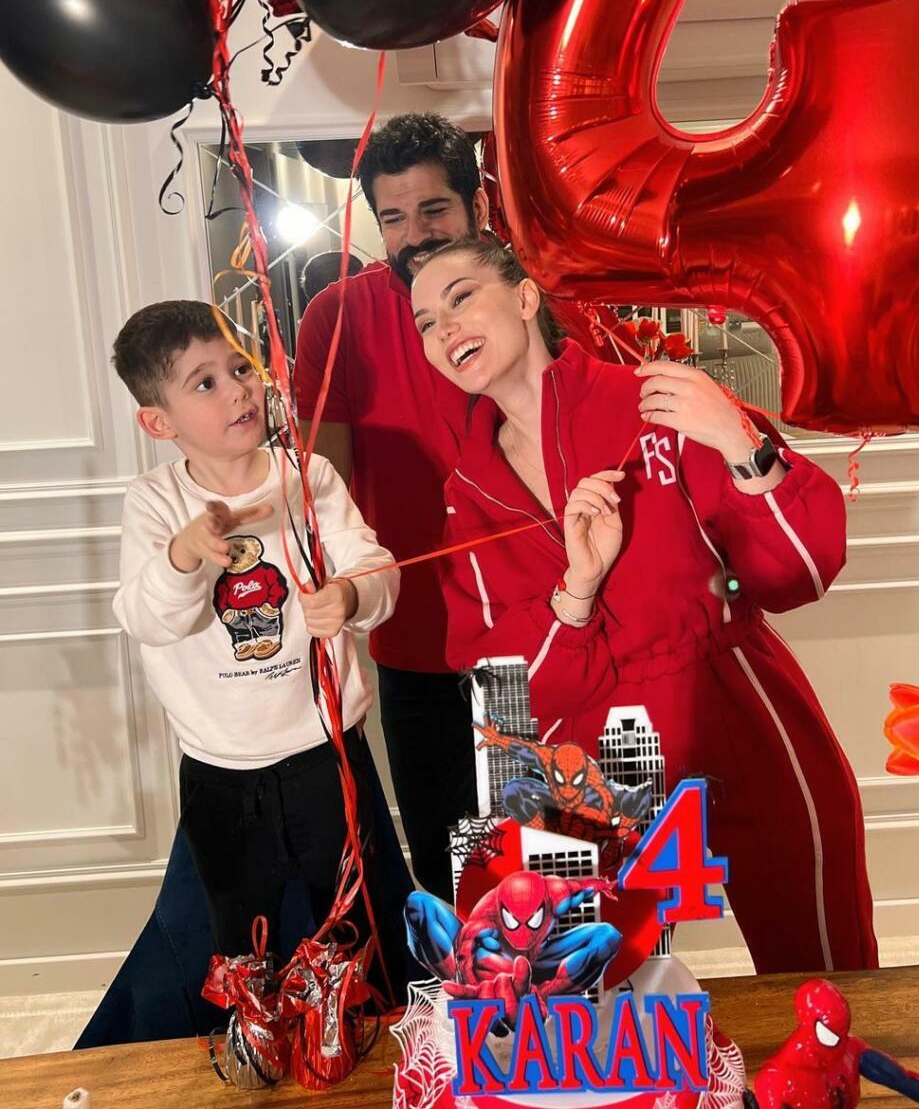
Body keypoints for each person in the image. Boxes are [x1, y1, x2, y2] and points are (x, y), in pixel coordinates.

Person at [410, 238, 878, 975]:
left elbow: (800, 574)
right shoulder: (466, 498)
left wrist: (739, 443)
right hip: (590, 768)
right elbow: (511, 694)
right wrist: (577, 590)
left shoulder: (657, 400)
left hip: (739, 714)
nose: (444, 329)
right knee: (591, 1008)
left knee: (823, 977)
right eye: (424, 323)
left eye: (460, 297)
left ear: (526, 297)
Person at [110, 299, 411, 992]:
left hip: (329, 753)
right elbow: (148, 618)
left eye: (241, 367)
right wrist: (185, 555)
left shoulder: (309, 476)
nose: (239, 389)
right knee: (241, 934)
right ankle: (254, 1030)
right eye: (205, 382)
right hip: (221, 768)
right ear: (159, 423)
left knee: (354, 923)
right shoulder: (154, 503)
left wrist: (351, 596)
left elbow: (374, 565)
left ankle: (352, 1028)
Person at [293, 113, 486, 901]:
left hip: (539, 630)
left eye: (434, 210)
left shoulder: (531, 298)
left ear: (477, 205)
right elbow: (324, 487)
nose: (415, 235)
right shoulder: (335, 317)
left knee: (551, 854)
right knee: (444, 859)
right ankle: (460, 983)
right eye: (394, 217)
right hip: (414, 636)